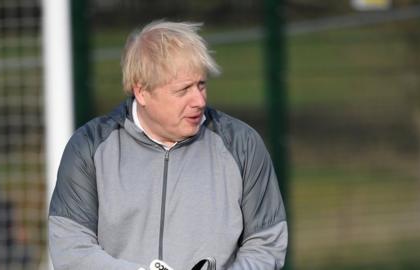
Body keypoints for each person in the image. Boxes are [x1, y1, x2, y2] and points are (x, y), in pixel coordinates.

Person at [49, 20, 288, 270]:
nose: (199, 100)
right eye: (183, 90)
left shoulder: (242, 145)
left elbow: (266, 243)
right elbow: (71, 247)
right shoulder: (89, 146)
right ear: (141, 92)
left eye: (201, 85)